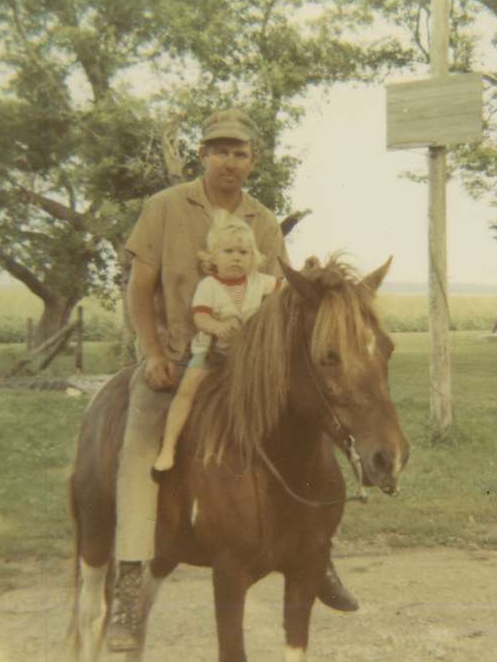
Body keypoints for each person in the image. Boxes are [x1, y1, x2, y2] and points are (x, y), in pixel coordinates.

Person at [108, 107, 358, 653]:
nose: (229, 161)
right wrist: (150, 351)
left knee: (316, 428)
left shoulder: (264, 222)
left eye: (239, 152)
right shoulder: (165, 208)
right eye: (219, 150)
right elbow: (139, 287)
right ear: (202, 155)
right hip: (179, 359)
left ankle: (319, 553)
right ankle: (129, 579)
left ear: (252, 161)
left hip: (248, 371)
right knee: (139, 445)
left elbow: (284, 299)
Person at [153, 210, 279, 471]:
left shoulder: (258, 282)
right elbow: (200, 317)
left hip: (244, 356)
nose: (236, 258)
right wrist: (216, 326)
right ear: (213, 258)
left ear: (253, 258)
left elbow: (285, 285)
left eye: (243, 253)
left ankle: (256, 445)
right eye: (229, 251)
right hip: (210, 351)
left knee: (261, 391)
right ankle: (169, 447)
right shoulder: (209, 286)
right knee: (187, 390)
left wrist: (308, 273)